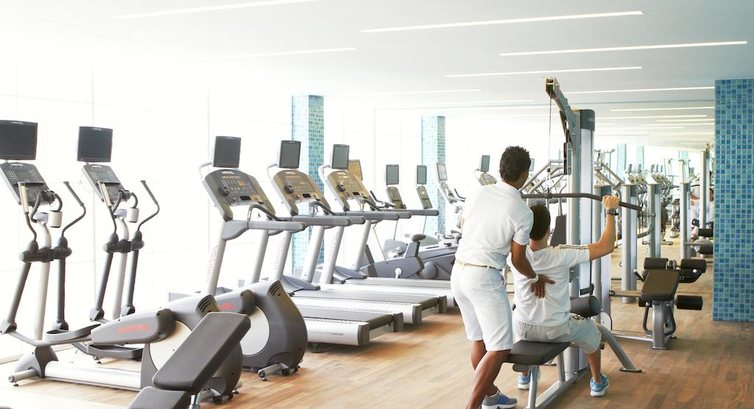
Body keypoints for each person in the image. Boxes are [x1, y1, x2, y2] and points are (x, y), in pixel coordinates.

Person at [451, 146, 553, 409]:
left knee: (479, 339)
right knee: (499, 347)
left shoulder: (477, 193)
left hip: (458, 272)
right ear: (525, 173)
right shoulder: (522, 211)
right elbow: (518, 260)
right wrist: (535, 277)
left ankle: (491, 396)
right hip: (483, 277)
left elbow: (465, 226)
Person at [511, 195, 620, 397]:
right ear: (549, 230)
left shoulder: (515, 256)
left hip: (522, 327)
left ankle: (524, 377)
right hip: (555, 329)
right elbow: (606, 246)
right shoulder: (561, 254)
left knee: (523, 318)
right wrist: (610, 211)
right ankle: (597, 382)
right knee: (592, 330)